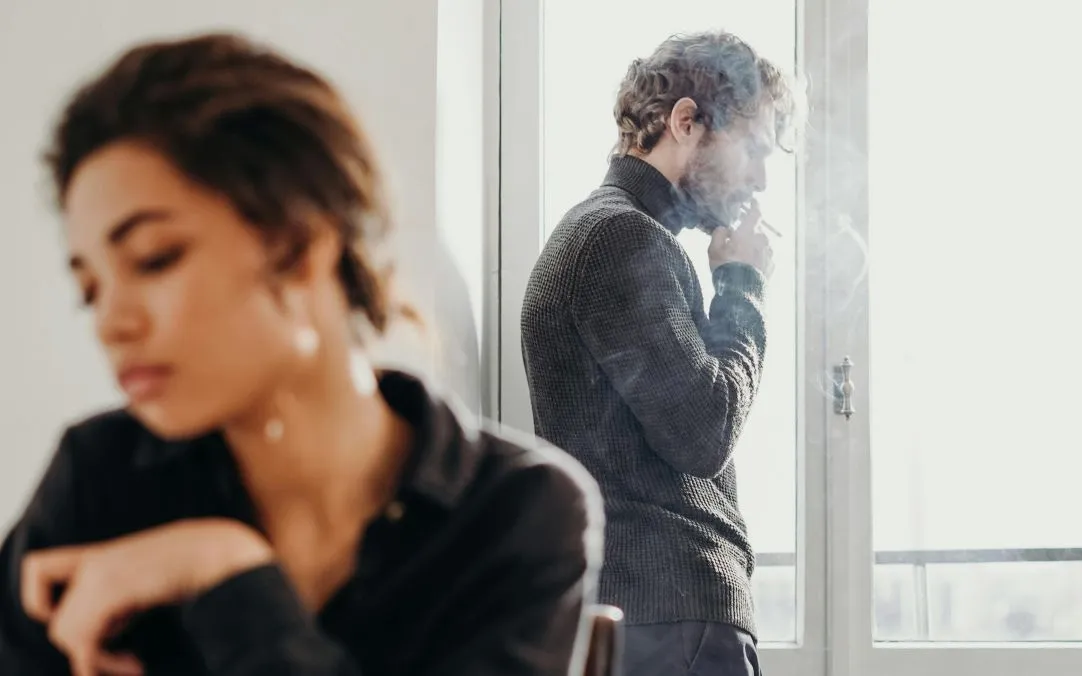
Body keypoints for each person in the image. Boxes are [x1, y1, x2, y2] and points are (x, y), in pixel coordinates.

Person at [0, 32, 602, 676]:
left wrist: (225, 574)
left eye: (154, 259)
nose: (111, 323)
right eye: (89, 290)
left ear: (302, 246)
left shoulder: (519, 512)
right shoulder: (99, 475)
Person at [521, 31, 794, 676]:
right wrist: (741, 285)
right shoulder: (621, 238)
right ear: (685, 122)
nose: (759, 178)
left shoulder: (616, 235)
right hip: (670, 620)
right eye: (752, 149)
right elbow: (704, 432)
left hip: (655, 618)